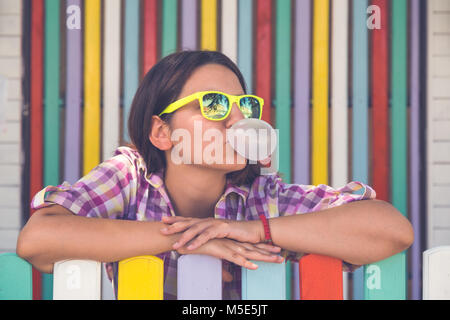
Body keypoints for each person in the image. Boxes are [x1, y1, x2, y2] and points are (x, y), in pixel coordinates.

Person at [17, 50, 414, 299]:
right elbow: (39, 238)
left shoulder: (263, 197)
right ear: (161, 132)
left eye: (245, 105)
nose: (238, 120)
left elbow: (391, 230)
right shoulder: (130, 175)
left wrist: (255, 230)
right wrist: (191, 237)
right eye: (214, 104)